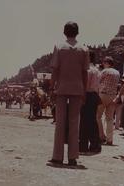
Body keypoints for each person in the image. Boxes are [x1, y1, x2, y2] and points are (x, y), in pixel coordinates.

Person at [48, 22, 89, 166]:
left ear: (64, 32)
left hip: (62, 88)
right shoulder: (84, 49)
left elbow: (55, 70)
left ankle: (57, 156)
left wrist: (52, 88)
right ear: (77, 32)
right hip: (77, 89)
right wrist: (84, 91)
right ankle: (72, 157)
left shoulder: (59, 47)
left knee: (60, 122)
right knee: (74, 123)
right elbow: (85, 73)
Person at [79, 51, 101, 153]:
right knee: (92, 121)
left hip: (87, 95)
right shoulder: (96, 70)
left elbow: (85, 86)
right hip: (94, 96)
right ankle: (95, 145)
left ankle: (83, 145)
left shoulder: (87, 70)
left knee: (84, 121)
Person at [96, 56, 120, 145]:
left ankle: (101, 136)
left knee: (98, 116)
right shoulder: (117, 72)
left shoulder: (104, 71)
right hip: (113, 96)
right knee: (110, 118)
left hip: (103, 95)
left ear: (106, 63)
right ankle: (110, 139)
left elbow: (98, 82)